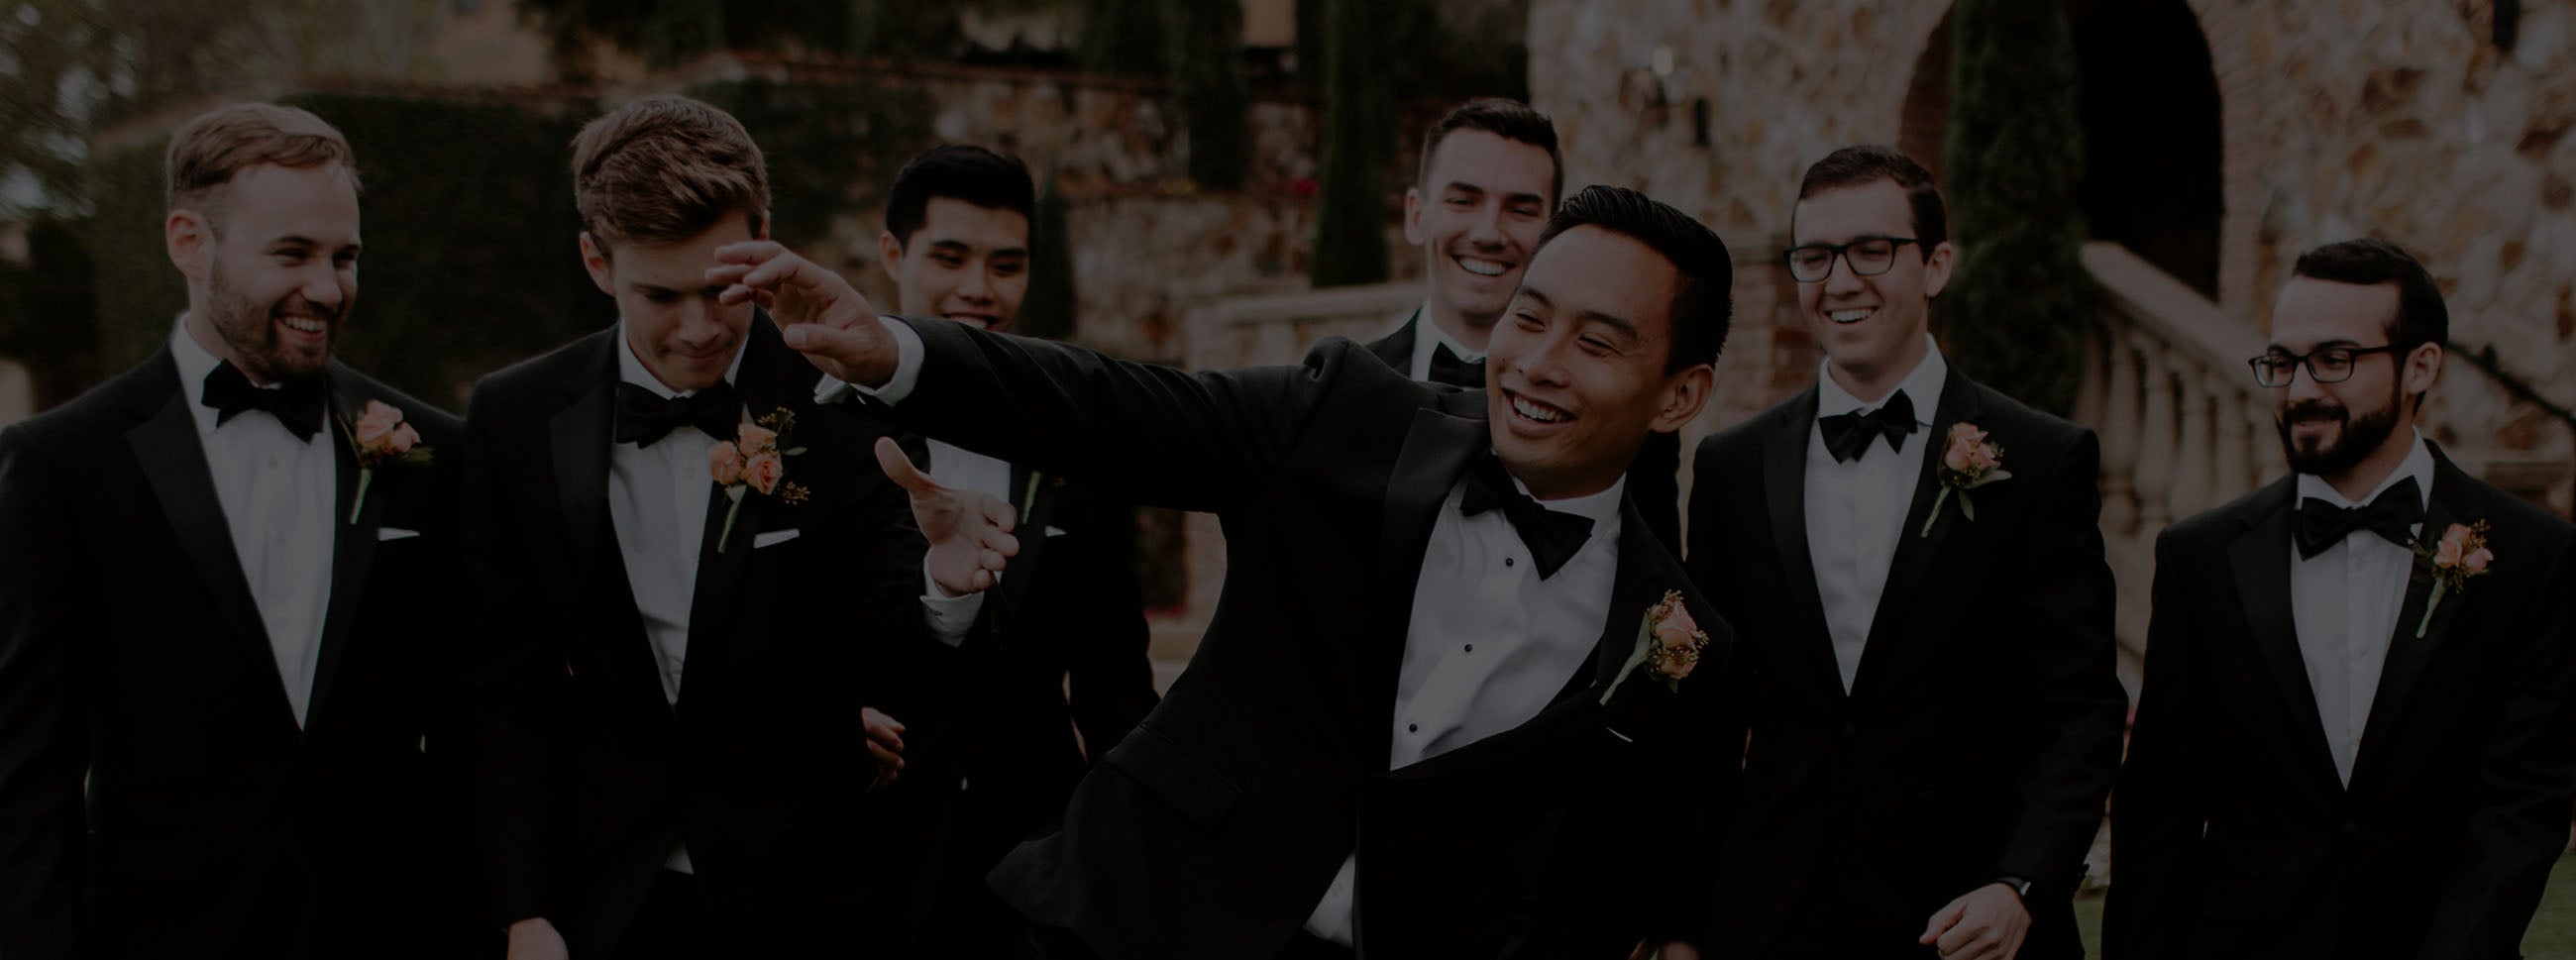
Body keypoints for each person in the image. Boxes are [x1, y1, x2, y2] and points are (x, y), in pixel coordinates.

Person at [725, 184, 1738, 959]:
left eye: (1595, 342)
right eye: (1529, 317)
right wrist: (899, 356)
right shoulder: (1348, 415)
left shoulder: (1672, 645)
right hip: (1141, 921)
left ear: (1677, 395)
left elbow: (1614, 888)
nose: (1537, 361)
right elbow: (1114, 406)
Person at [451, 95, 935, 959]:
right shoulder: (514, 417)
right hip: (603, 898)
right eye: (660, 295)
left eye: (722, 289)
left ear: (764, 235)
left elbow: (900, 621)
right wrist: (523, 911)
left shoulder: (842, 394)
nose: (701, 328)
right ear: (597, 264)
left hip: (816, 897)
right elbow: (503, 685)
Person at [0, 102, 467, 958]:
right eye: (291, 254)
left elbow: (483, 718)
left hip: (395, 929)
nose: (327, 288)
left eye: (344, 256)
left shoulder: (434, 451)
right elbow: (29, 769)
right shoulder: (62, 464)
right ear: (189, 242)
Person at [1681, 145, 2126, 959]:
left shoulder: (2040, 459)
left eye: (1872, 251)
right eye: (1815, 256)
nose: (1840, 280)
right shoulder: (1731, 468)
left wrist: (2021, 884)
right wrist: (1678, 918)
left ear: (1937, 266)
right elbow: (1705, 719)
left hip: (1968, 920)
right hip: (1776, 918)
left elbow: (2082, 711)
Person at [2105, 238, 2576, 959]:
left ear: (2421, 365)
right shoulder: (2200, 557)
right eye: (2283, 362)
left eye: (2334, 359)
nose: (2298, 390)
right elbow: (2158, 810)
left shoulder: (2529, 555)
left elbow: (2520, 807)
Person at [859, 144, 1160, 958]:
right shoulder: (823, 426)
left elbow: (1115, 681)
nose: (978, 290)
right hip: (861, 848)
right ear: (893, 254)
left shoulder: (1073, 429)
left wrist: (1127, 853)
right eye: (950, 257)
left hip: (1035, 858)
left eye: (1006, 264)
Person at [1365, 98, 1682, 552]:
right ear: (1417, 216)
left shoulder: (1624, 413)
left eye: (1521, 209)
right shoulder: (1351, 392)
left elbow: (1657, 600)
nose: (1489, 233)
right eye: (1463, 200)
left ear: (1554, 236)